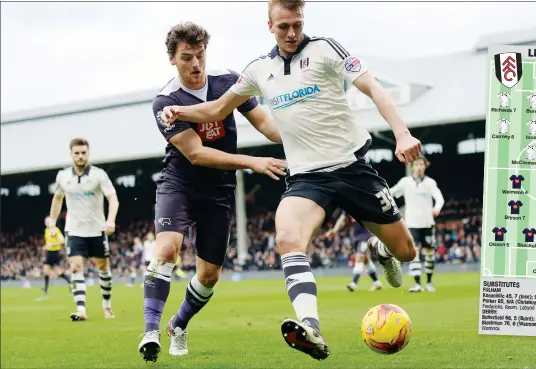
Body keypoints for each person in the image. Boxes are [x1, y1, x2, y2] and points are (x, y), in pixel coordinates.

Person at [159, 0, 422, 360]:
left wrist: (403, 133)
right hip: (306, 178)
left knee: (407, 252)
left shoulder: (327, 49)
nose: (292, 33)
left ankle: (381, 250)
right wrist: (180, 110)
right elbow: (218, 109)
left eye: (297, 24)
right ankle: (311, 328)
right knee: (286, 238)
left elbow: (373, 88)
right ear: (270, 25)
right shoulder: (257, 69)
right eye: (283, 26)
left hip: (351, 168)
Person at [138, 22, 286, 363]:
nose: (196, 64)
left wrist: (297, 134)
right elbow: (196, 153)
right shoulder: (166, 101)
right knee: (166, 248)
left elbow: (263, 122)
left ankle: (178, 324)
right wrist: (251, 161)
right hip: (180, 184)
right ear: (172, 59)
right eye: (187, 57)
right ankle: (150, 331)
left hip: (219, 190)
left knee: (208, 276)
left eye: (200, 55)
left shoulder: (228, 80)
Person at [48, 138, 119, 321]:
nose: (80, 156)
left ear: (88, 153)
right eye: (77, 153)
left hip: (97, 230)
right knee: (75, 267)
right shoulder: (63, 176)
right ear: (71, 154)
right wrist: (53, 222)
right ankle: (81, 310)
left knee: (103, 267)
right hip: (74, 230)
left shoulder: (99, 175)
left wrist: (111, 220)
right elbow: (57, 199)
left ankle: (107, 304)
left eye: (83, 153)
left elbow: (112, 198)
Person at [390, 156, 444, 293]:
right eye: (417, 164)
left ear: (425, 166)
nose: (419, 167)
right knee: (414, 253)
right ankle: (418, 284)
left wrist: (437, 208)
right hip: (412, 224)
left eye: (422, 164)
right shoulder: (405, 182)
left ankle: (429, 282)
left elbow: (439, 197)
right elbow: (392, 192)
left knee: (429, 253)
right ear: (412, 166)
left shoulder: (430, 183)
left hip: (427, 223)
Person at [325, 212, 382, 292]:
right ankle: (377, 282)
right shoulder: (349, 204)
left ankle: (353, 283)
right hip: (356, 237)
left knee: (359, 257)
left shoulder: (365, 202)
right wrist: (334, 231)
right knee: (366, 260)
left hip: (367, 235)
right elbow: (342, 219)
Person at [41, 216, 72, 294]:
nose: (46, 223)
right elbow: (48, 242)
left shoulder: (56, 230)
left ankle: (72, 284)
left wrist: (52, 245)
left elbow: (62, 241)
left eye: (48, 221)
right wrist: (46, 246)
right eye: (46, 222)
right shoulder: (46, 231)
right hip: (48, 253)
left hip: (55, 253)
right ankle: (45, 289)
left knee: (59, 272)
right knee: (45, 271)